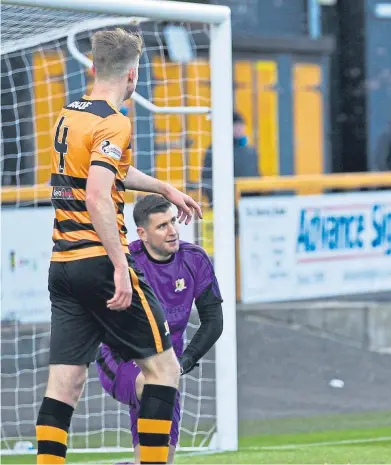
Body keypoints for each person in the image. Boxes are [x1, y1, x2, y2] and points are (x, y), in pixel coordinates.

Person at [36, 28, 203, 465]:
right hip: (98, 261)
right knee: (164, 369)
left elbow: (113, 172)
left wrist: (165, 187)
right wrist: (118, 265)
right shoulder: (115, 121)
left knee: (64, 385)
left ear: (92, 68)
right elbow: (97, 194)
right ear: (133, 73)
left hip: (63, 266)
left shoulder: (70, 114)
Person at [96, 195, 223, 464]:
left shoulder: (194, 260)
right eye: (162, 225)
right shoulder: (125, 264)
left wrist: (184, 362)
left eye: (174, 221)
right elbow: (102, 319)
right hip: (121, 361)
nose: (173, 231)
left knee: (160, 461)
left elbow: (213, 321)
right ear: (142, 233)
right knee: (153, 382)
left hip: (168, 372)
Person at [202, 111, 260, 205]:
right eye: (236, 125)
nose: (240, 129)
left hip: (249, 203)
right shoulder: (216, 150)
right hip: (225, 202)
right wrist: (215, 202)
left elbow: (256, 175)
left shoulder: (250, 150)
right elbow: (207, 178)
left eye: (241, 125)